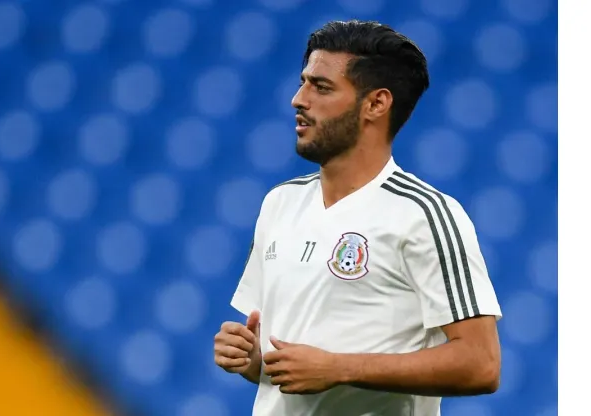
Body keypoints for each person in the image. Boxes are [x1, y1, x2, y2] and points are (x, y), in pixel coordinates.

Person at [213, 19, 502, 416]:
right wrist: (251, 359)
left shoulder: (424, 214)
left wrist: (341, 367)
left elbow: (481, 364)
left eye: (322, 87)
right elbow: (288, 362)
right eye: (303, 82)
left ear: (376, 104)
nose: (298, 99)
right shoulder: (279, 203)